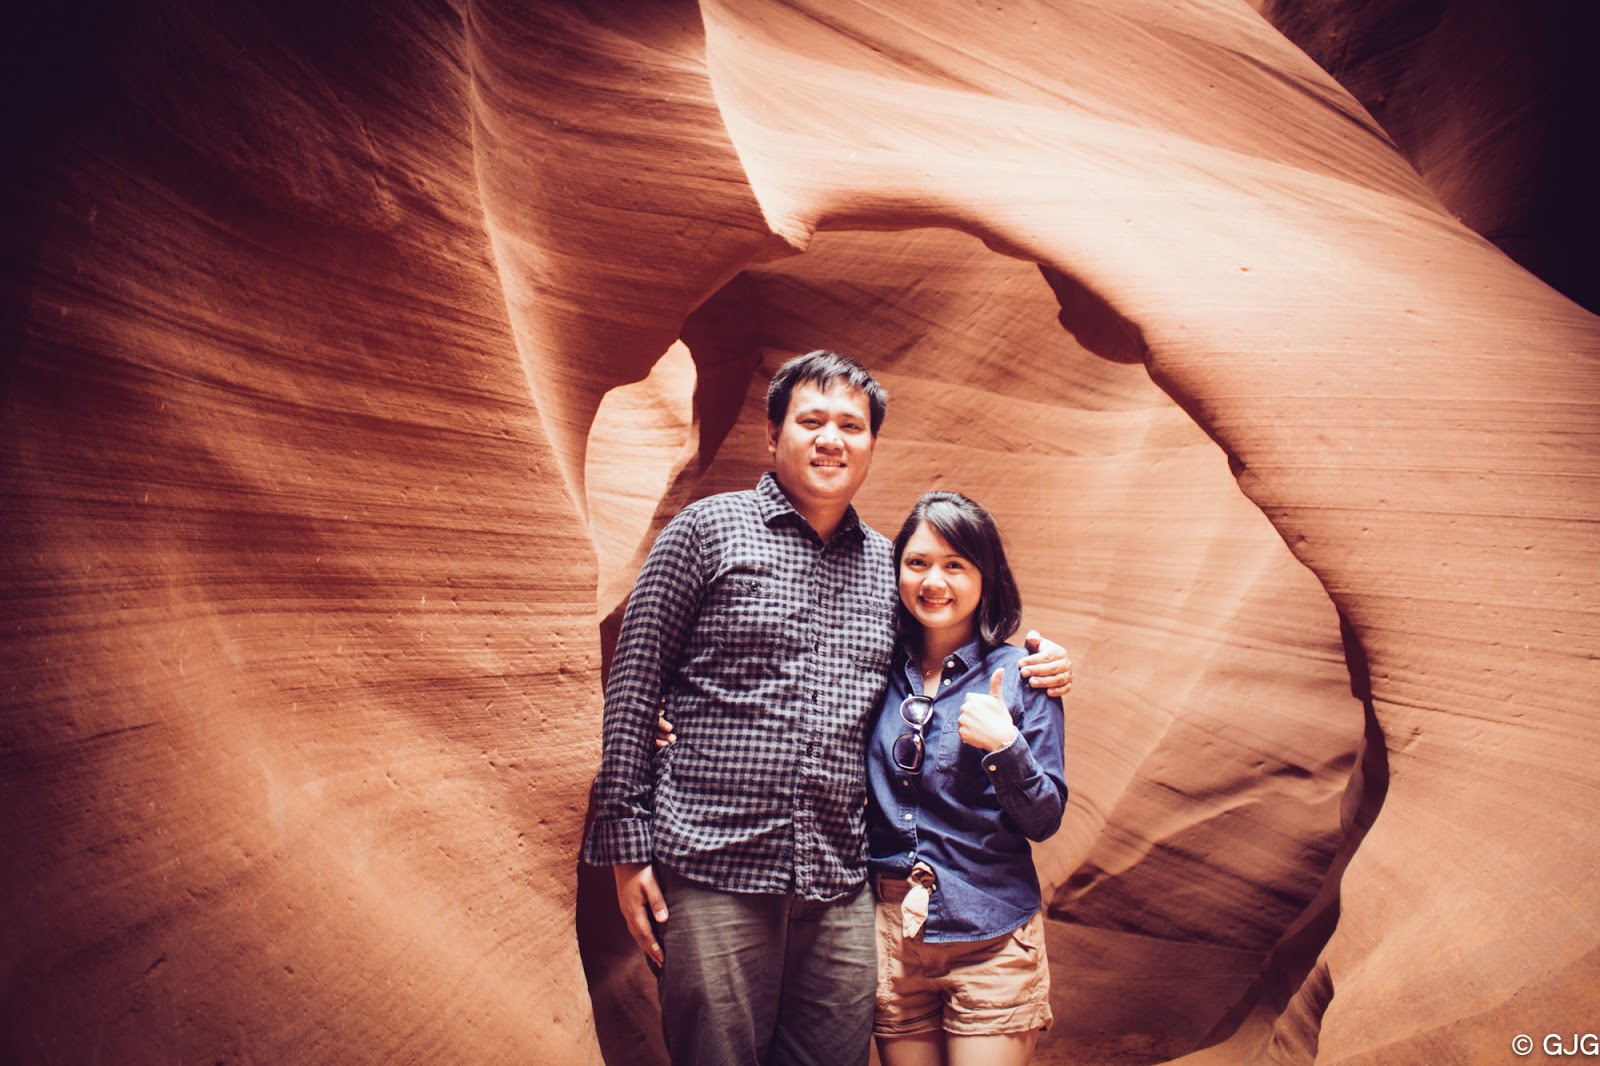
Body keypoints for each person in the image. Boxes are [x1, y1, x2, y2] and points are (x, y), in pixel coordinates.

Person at [582, 350, 1072, 1066]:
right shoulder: (705, 531)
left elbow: (948, 663)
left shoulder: (888, 567)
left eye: (851, 424)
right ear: (772, 435)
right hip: (714, 863)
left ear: (872, 444)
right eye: (811, 421)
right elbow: (634, 684)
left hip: (840, 883)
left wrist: (1044, 660)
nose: (831, 439)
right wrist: (628, 854)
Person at [866, 491, 1067, 1065]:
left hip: (993, 935)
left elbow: (1044, 820)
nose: (934, 581)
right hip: (893, 936)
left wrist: (1006, 747)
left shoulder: (1024, 676)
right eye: (918, 562)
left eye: (956, 565)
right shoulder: (870, 669)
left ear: (986, 577)